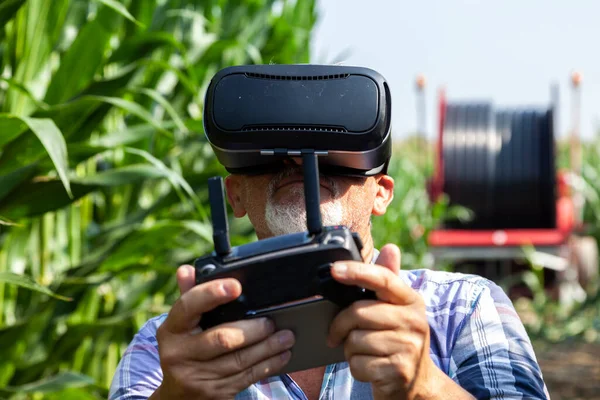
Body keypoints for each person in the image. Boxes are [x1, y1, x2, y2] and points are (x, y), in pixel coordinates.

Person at [109, 157, 549, 399]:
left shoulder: (463, 308)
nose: (302, 164)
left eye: (336, 155)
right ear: (234, 194)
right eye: (271, 156)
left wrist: (424, 386)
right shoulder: (172, 349)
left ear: (382, 192)